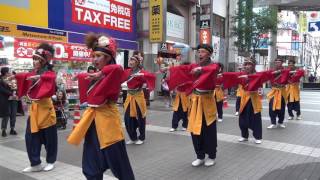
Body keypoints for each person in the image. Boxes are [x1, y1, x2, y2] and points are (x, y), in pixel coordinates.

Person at [67, 33, 135, 180]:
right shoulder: (99, 74)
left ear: (108, 57)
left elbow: (117, 69)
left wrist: (100, 74)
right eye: (94, 55)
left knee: (119, 164)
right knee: (91, 164)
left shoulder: (113, 73)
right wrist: (80, 76)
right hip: (93, 122)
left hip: (108, 122)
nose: (95, 59)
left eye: (99, 56)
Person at [167, 44, 219, 167]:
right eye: (199, 52)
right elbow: (183, 69)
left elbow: (213, 69)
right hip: (195, 102)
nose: (199, 54)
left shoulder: (214, 66)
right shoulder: (194, 66)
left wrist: (201, 70)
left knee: (209, 131)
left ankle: (211, 156)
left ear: (209, 54)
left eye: (203, 52)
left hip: (207, 102)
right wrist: (169, 70)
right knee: (195, 130)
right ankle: (200, 156)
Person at [15, 43, 58, 172]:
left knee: (49, 138)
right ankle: (35, 163)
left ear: (44, 61)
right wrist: (15, 76)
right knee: (31, 137)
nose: (34, 62)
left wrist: (40, 77)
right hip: (34, 110)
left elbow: (51, 77)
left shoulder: (49, 73)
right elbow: (25, 76)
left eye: (37, 59)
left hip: (46, 108)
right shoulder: (33, 72)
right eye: (33, 59)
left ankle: (51, 161)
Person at [222, 57, 271, 144]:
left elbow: (263, 75)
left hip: (253, 98)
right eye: (246, 64)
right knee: (242, 118)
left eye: (250, 64)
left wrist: (248, 76)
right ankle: (244, 136)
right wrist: (221, 74)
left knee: (255, 118)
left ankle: (257, 137)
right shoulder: (241, 74)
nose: (247, 66)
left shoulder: (258, 74)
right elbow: (231, 75)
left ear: (253, 66)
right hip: (244, 98)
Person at [123, 55, 155, 145]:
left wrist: (142, 75)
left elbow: (151, 76)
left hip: (138, 96)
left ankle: (141, 137)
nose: (130, 62)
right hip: (129, 97)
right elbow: (118, 76)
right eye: (130, 60)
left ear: (137, 63)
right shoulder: (127, 72)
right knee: (127, 118)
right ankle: (133, 137)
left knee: (141, 117)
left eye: (132, 60)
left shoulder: (141, 72)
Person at [267, 58, 290, 129]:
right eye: (276, 62)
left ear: (282, 63)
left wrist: (281, 72)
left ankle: (280, 122)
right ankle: (273, 122)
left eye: (279, 62)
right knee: (272, 107)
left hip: (282, 91)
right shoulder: (271, 71)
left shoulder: (285, 71)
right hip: (274, 91)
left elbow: (288, 77)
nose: (277, 63)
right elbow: (268, 78)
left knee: (282, 108)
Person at [169, 62, 191, 132]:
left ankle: (185, 125)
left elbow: (192, 83)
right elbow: (173, 80)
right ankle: (174, 126)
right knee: (176, 111)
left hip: (186, 95)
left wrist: (185, 83)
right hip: (179, 95)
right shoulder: (179, 74)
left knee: (186, 111)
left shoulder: (190, 75)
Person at [0, 67, 13, 137]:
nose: (10, 73)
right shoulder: (1, 80)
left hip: (12, 100)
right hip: (4, 100)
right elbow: (2, 90)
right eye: (8, 72)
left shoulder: (10, 79)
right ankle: (3, 130)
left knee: (10, 114)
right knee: (6, 115)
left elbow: (14, 87)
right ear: (5, 73)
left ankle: (11, 129)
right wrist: (11, 94)